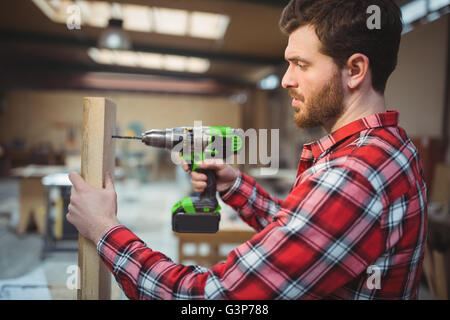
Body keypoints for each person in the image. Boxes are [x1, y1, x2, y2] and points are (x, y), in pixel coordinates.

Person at [67, 0, 427, 299]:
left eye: (300, 64)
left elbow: (210, 298)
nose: (286, 79)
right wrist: (234, 185)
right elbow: (307, 239)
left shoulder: (353, 175)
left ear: (355, 70)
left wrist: (103, 229)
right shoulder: (392, 147)